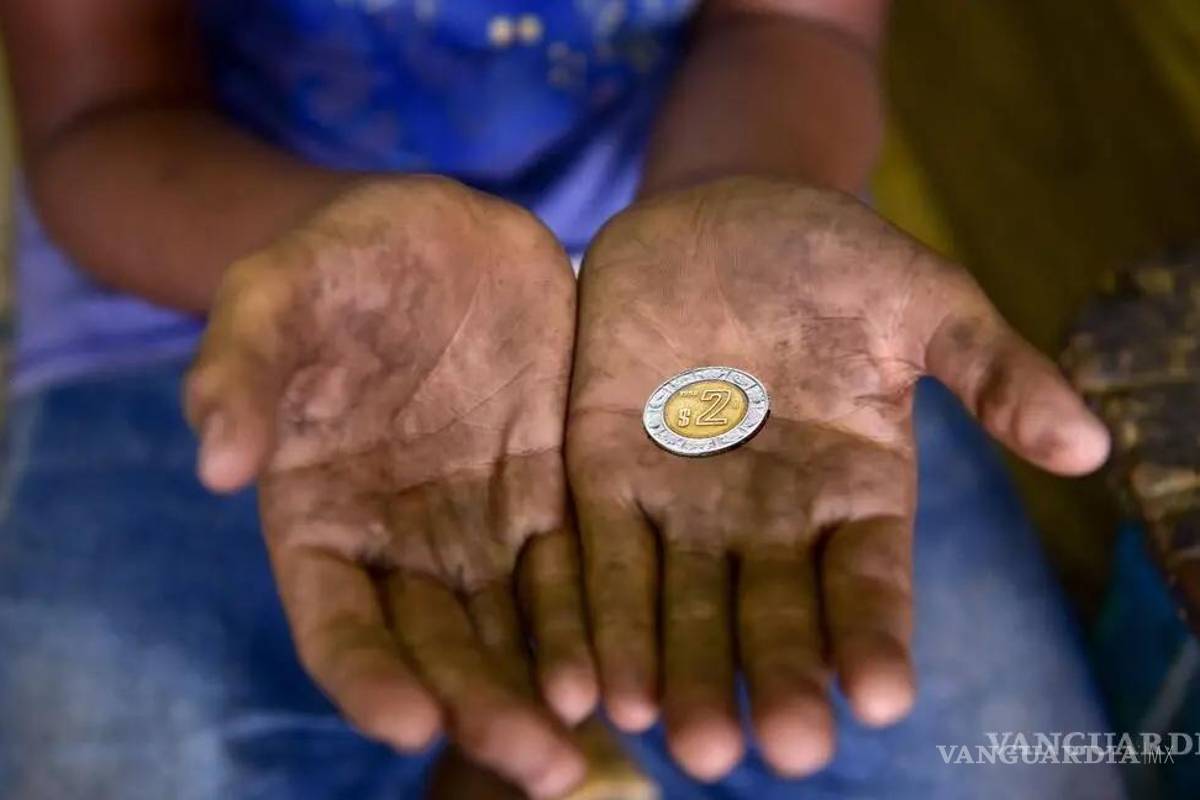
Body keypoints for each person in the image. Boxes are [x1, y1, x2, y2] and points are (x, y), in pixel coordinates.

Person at [0, 1, 1126, 797]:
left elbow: (795, 27)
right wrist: (343, 272)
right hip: (224, 297)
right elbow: (102, 115)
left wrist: (727, 202)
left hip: (732, 303)